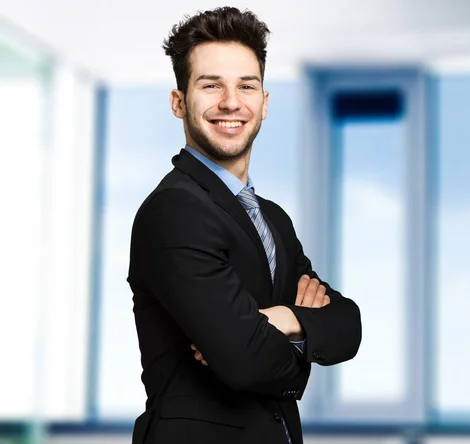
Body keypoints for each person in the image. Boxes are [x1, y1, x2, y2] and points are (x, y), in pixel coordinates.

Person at [128, 6, 362, 444]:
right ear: (179, 102)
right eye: (211, 84)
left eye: (246, 86)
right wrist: (302, 329)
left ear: (264, 103)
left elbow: (349, 325)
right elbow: (244, 359)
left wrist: (280, 319)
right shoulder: (174, 211)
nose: (231, 102)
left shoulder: (272, 218)